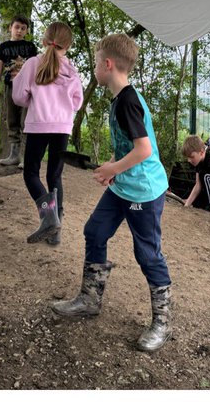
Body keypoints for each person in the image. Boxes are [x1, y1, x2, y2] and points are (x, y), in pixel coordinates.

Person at [53, 32, 173, 352]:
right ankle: (90, 300)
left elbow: (144, 149)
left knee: (147, 254)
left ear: (108, 64)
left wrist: (113, 169)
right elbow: (129, 146)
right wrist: (114, 166)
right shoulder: (120, 98)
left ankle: (162, 321)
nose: (94, 68)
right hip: (124, 186)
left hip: (143, 192)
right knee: (95, 231)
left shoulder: (128, 102)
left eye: (95, 63)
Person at [11, 21, 84, 246]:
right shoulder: (71, 69)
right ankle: (55, 228)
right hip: (62, 127)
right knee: (54, 175)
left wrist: (35, 99)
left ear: (43, 41)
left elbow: (19, 98)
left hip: (38, 125)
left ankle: (48, 216)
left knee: (31, 172)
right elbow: (77, 103)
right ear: (68, 45)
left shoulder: (33, 63)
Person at [0, 15, 38, 167]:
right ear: (10, 27)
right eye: (17, 27)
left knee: (25, 120)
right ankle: (14, 155)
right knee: (11, 119)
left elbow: (36, 68)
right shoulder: (4, 47)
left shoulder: (30, 47)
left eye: (23, 28)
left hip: (27, 87)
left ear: (27, 31)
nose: (19, 31)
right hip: (10, 86)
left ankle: (26, 157)